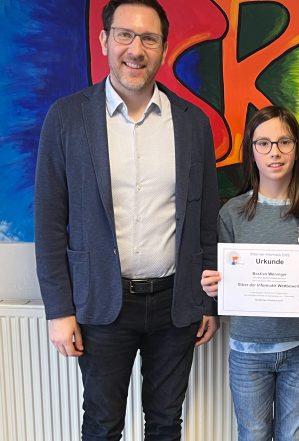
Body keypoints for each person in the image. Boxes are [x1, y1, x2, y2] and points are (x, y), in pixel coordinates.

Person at [34, 1, 219, 439]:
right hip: (101, 304)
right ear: (104, 40)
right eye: (125, 35)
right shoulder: (67, 118)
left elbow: (206, 218)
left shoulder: (192, 123)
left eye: (149, 38)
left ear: (164, 48)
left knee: (165, 423)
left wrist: (207, 301)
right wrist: (59, 311)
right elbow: (49, 222)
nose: (136, 49)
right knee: (102, 425)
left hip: (175, 304)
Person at [200, 106, 299, 441]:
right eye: (263, 143)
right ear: (251, 151)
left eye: (284, 142)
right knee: (253, 435)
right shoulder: (231, 213)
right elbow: (224, 281)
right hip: (248, 351)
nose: (274, 152)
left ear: (296, 149)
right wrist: (213, 287)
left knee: (294, 435)